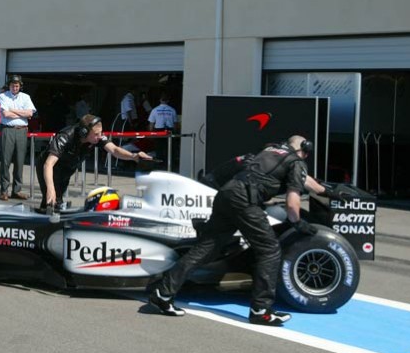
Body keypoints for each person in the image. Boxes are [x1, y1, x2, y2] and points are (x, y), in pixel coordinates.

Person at [148, 135, 349, 324]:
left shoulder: (270, 151)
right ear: (304, 150)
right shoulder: (296, 162)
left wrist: (328, 192)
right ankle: (261, 311)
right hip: (245, 201)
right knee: (270, 250)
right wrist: (297, 223)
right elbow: (292, 200)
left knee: (205, 249)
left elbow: (307, 181)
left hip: (226, 195)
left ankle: (162, 294)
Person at [38, 114, 153, 210]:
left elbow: (114, 150)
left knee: (55, 201)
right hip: (50, 168)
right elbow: (48, 164)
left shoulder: (96, 138)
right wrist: (50, 188)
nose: (100, 136)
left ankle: (49, 217)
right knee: (52, 199)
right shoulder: (66, 136)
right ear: (84, 132)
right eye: (96, 134)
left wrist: (134, 156)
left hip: (67, 169)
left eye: (101, 133)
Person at [0, 74, 36, 201]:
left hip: (21, 131)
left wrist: (13, 111)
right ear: (9, 85)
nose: (15, 87)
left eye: (17, 85)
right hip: (7, 130)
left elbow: (30, 113)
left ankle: (17, 190)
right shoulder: (3, 96)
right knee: (5, 160)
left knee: (20, 161)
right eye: (12, 85)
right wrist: (22, 114)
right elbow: (5, 114)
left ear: (20, 86)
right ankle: (4, 190)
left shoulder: (26, 97)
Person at [148, 93, 178, 162]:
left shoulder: (154, 110)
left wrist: (150, 133)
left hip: (159, 131)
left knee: (159, 149)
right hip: (170, 131)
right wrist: (175, 133)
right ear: (168, 100)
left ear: (160, 100)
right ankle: (170, 164)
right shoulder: (172, 110)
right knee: (170, 149)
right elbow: (175, 124)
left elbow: (151, 124)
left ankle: (160, 164)